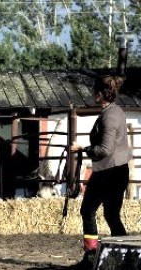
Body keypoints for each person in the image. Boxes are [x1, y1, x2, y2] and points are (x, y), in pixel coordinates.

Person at [69, 75, 130, 269]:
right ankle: (125, 258)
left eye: (94, 90)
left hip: (109, 172)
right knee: (111, 215)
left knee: (88, 211)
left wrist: (82, 149)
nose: (92, 94)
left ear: (100, 93)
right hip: (115, 171)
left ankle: (91, 257)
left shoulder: (109, 116)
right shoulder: (115, 111)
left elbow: (104, 150)